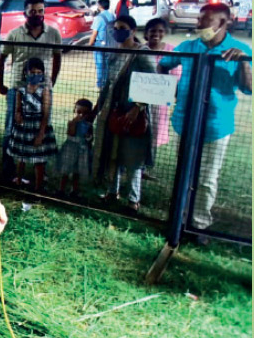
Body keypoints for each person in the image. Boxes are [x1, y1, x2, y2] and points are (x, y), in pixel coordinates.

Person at [158, 3, 252, 240]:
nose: (199, 24)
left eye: (205, 20)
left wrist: (243, 62)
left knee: (207, 177)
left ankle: (198, 224)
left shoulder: (238, 49)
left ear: (223, 22)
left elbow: (249, 88)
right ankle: (178, 218)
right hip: (185, 122)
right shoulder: (189, 46)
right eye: (199, 19)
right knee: (184, 172)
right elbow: (164, 64)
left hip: (216, 126)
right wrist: (167, 90)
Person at [92, 15, 155, 213]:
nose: (118, 31)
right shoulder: (114, 53)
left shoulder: (142, 54)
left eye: (123, 28)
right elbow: (107, 86)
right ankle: (112, 191)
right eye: (116, 28)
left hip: (135, 113)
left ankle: (133, 200)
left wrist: (138, 107)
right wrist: (97, 110)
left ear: (133, 30)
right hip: (114, 111)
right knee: (114, 153)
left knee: (133, 157)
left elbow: (154, 83)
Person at [0, 0, 62, 183]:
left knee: (42, 127)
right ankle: (8, 169)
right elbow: (1, 59)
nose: (37, 14)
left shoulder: (53, 34)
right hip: (18, 89)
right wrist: (0, 84)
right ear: (25, 12)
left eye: (40, 11)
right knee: (12, 128)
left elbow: (57, 58)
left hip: (43, 91)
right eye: (33, 11)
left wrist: (51, 82)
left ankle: (39, 171)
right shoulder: (14, 34)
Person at [7, 58, 58, 192]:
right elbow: (18, 108)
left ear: (43, 74)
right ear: (26, 73)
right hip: (24, 126)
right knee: (21, 156)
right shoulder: (21, 90)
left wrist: (41, 133)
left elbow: (46, 113)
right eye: (32, 72)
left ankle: (38, 188)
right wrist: (18, 115)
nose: (35, 75)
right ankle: (18, 181)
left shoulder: (44, 91)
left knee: (39, 160)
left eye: (38, 72)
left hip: (38, 126)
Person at [144, 18, 178, 150]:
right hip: (140, 98)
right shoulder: (141, 49)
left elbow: (176, 76)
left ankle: (148, 164)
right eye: (152, 31)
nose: (156, 34)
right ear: (146, 32)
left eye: (160, 31)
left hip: (160, 102)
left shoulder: (171, 51)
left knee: (155, 132)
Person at [55, 98, 94, 199]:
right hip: (71, 148)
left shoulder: (89, 124)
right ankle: (61, 189)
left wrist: (89, 138)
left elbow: (90, 137)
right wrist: (75, 122)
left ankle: (74, 190)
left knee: (77, 171)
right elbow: (71, 133)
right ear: (75, 110)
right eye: (79, 112)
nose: (81, 115)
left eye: (85, 113)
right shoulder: (72, 122)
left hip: (82, 149)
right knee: (66, 170)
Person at [88, 0, 116, 89]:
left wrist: (90, 44)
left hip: (100, 44)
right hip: (111, 44)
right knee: (108, 65)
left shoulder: (99, 18)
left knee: (100, 65)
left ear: (100, 6)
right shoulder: (112, 16)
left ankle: (100, 84)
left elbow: (94, 32)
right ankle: (108, 83)